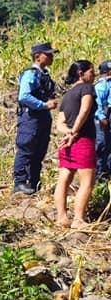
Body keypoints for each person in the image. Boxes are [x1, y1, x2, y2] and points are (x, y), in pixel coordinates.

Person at [54, 60, 97, 229]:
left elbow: (59, 123)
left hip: (67, 143)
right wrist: (76, 132)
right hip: (83, 140)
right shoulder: (87, 88)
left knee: (63, 179)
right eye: (91, 72)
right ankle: (78, 219)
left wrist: (68, 133)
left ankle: (62, 217)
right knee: (87, 181)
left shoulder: (68, 95)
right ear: (81, 74)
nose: (93, 76)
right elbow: (85, 110)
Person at [13, 42, 60, 194]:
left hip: (41, 118)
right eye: (48, 54)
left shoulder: (43, 74)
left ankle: (34, 183)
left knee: (39, 150)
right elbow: (24, 96)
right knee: (26, 149)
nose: (52, 56)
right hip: (30, 118)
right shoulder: (30, 74)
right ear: (38, 57)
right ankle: (20, 183)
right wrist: (44, 105)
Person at [94, 60, 111, 179]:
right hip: (103, 117)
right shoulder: (101, 85)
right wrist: (102, 118)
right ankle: (99, 173)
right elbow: (98, 104)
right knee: (102, 144)